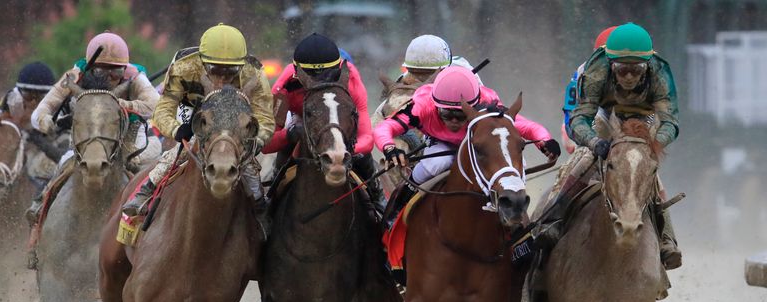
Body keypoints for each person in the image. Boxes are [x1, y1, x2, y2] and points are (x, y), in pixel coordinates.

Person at [547, 22, 682, 270]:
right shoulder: (594, 70)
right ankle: (553, 219)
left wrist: (654, 145)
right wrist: (593, 142)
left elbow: (671, 121)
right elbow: (578, 117)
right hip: (602, 114)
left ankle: (667, 238)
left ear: (647, 64)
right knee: (586, 158)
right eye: (622, 70)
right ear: (609, 63)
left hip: (645, 116)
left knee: (645, 166)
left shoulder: (660, 72)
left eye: (636, 70)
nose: (629, 77)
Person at [122, 24, 275, 227]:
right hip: (191, 107)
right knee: (185, 147)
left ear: (241, 65)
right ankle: (146, 189)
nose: (222, 78)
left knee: (244, 157)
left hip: (233, 114)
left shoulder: (253, 72)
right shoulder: (184, 67)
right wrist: (176, 129)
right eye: (215, 70)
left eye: (230, 71)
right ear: (202, 62)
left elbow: (265, 117)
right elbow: (163, 109)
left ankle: (259, 205)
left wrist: (256, 140)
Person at [374, 65, 557, 227]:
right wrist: (389, 148)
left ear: (474, 106)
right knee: (435, 164)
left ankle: (521, 227)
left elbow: (525, 126)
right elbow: (385, 127)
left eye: (461, 115)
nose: (454, 122)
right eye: (447, 114)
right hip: (442, 144)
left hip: (480, 144)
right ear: (435, 105)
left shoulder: (488, 105)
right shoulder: (422, 105)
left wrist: (544, 140)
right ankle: (397, 208)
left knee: (515, 164)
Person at [26, 32, 159, 225]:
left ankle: (149, 210)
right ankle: (42, 202)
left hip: (127, 133)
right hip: (87, 133)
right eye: (101, 72)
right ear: (90, 68)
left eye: (116, 73)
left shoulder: (135, 76)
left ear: (125, 70)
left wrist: (123, 104)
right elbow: (39, 112)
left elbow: (157, 105)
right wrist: (45, 120)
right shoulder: (74, 75)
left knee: (139, 163)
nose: (110, 78)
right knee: (66, 161)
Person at [265, 33, 385, 213]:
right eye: (311, 76)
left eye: (327, 75)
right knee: (284, 151)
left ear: (338, 70)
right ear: (297, 73)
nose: (318, 82)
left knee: (363, 157)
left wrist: (343, 150)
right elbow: (267, 144)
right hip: (302, 118)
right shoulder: (284, 86)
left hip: (337, 120)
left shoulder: (351, 79)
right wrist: (290, 134)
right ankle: (270, 199)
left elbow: (366, 139)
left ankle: (379, 199)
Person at [0, 62, 65, 190]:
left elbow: (63, 158)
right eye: (28, 96)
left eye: (40, 97)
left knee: (43, 168)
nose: (34, 103)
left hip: (44, 159)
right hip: (12, 163)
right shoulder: (8, 105)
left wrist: (36, 137)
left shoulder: (61, 115)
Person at [561, 26, 617, 154]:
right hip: (588, 118)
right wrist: (591, 140)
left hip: (621, 118)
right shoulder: (583, 72)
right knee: (597, 130)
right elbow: (571, 111)